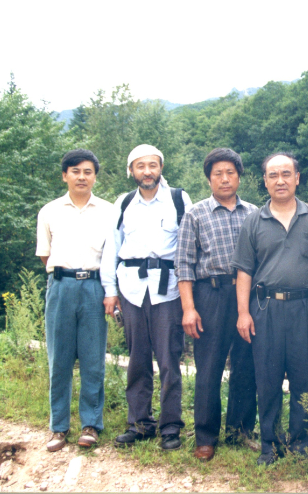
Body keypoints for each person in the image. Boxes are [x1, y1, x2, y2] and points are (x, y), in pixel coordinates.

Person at [232, 152, 308, 466]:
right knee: (268, 377)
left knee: (304, 377)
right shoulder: (254, 221)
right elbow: (244, 271)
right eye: (273, 175)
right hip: (266, 308)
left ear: (297, 177)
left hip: (305, 306)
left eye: (286, 174)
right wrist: (243, 313)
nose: (280, 180)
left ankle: (303, 444)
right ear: (265, 181)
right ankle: (270, 444)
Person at [101, 144, 192, 451]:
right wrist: (110, 291)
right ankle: (140, 422)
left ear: (160, 168)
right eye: (140, 166)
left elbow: (188, 247)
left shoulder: (178, 199)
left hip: (168, 289)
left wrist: (187, 295)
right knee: (137, 358)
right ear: (132, 171)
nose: (147, 171)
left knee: (169, 359)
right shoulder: (123, 203)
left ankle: (170, 426)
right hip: (131, 289)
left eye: (153, 165)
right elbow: (111, 248)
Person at [175, 148, 257, 461]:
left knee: (245, 365)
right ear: (209, 178)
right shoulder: (195, 214)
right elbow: (183, 263)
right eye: (217, 174)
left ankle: (240, 430)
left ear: (239, 176)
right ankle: (206, 437)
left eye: (230, 173)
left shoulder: (254, 213)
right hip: (210, 295)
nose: (224, 179)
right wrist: (188, 308)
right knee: (208, 368)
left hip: (248, 296)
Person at [36, 149, 113, 452]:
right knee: (60, 360)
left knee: (93, 360)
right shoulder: (49, 211)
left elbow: (111, 256)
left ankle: (91, 424)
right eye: (75, 171)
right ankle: (58, 428)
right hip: (61, 287)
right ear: (64, 175)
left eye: (88, 171)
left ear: (95, 176)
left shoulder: (108, 211)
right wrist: (64, 275)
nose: (82, 177)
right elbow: (45, 254)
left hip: (94, 288)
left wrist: (109, 292)